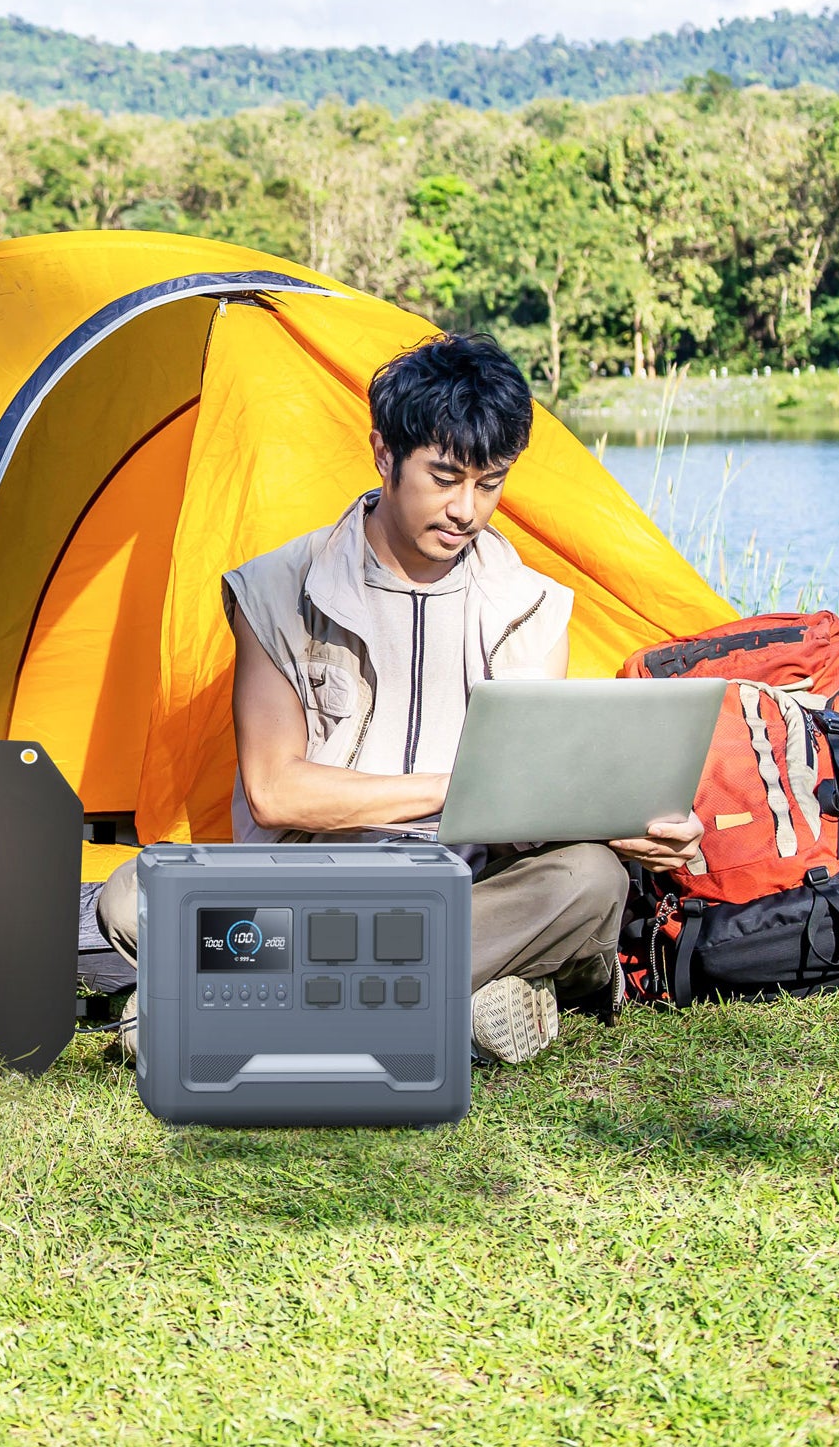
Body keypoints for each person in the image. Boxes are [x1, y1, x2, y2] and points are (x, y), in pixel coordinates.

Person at [99, 331, 704, 1063]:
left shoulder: (530, 606)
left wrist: (624, 825)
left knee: (591, 879)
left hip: (467, 889)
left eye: (489, 483)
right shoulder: (275, 590)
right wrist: (462, 789)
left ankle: (255, 1006)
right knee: (131, 896)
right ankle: (474, 997)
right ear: (384, 454)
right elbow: (274, 792)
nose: (466, 509)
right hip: (317, 890)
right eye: (444, 477)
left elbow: (536, 806)